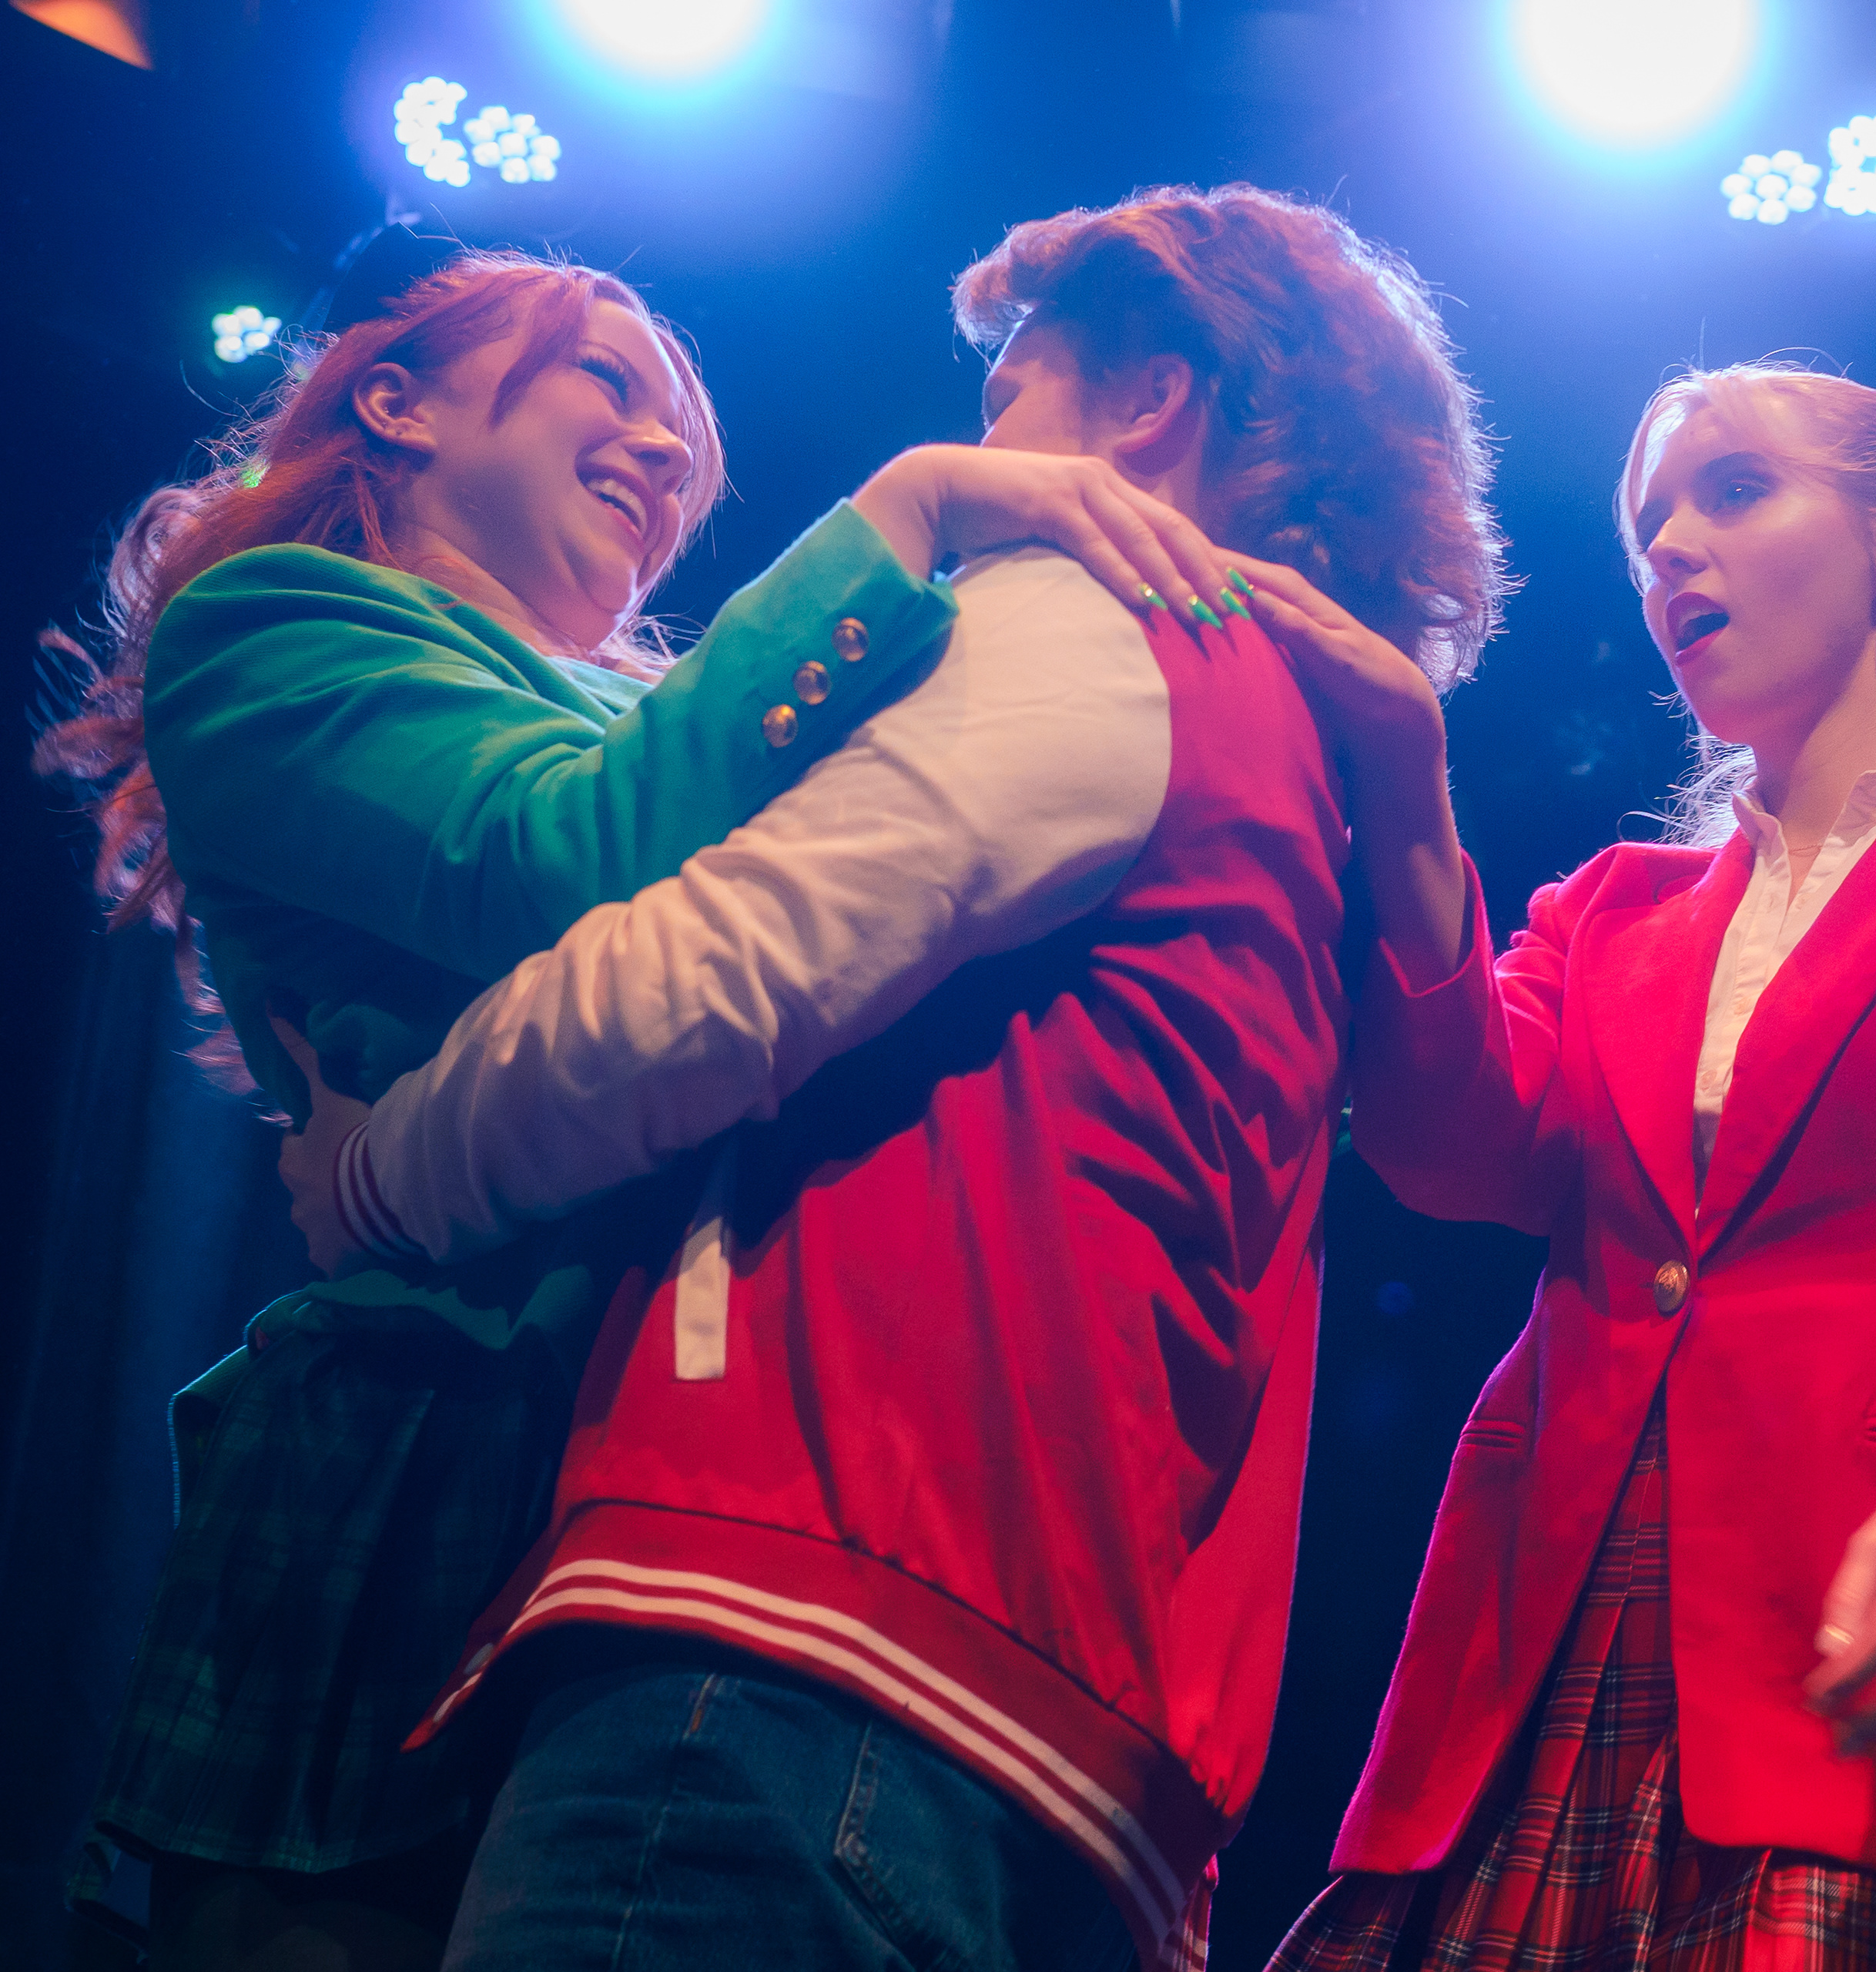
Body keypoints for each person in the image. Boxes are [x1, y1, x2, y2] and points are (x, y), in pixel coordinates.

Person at [273, 186, 1504, 1972]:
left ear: (1147, 401)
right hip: (1087, 1762)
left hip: (816, 1649)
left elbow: (705, 975)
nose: (981, 443)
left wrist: (376, 1172)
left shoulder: (1097, 625)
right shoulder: (1311, 792)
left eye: (1010, 397)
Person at [35, 240, 1234, 1971]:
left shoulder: (691, 712)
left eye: (683, 431)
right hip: (431, 1431)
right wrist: (909, 508)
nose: (667, 449)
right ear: (398, 402)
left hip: (683, 1447)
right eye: (608, 378)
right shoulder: (273, 625)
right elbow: (565, 855)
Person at [1246, 365, 1876, 1971]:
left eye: (1731, 490)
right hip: (1543, 1621)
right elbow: (1451, 1152)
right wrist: (1410, 796)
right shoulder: (1613, 910)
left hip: (1858, 1602)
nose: (1668, 550)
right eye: (1646, 526)